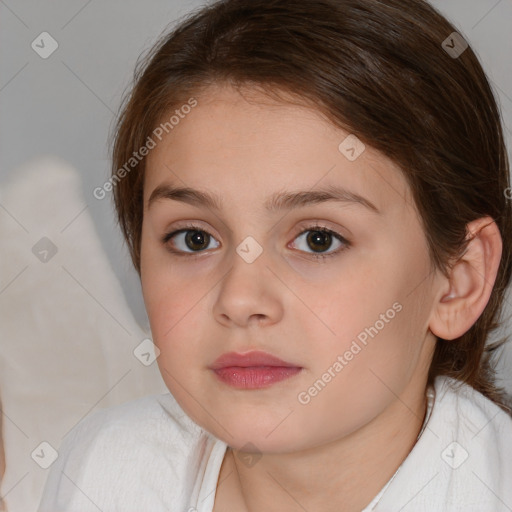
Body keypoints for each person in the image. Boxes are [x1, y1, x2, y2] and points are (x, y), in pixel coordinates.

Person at [38, 0, 512, 510]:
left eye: (318, 240)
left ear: (458, 280)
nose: (240, 300)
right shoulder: (103, 470)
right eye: (194, 238)